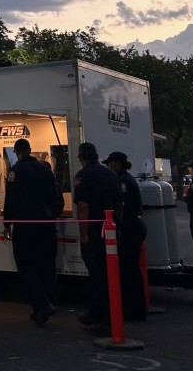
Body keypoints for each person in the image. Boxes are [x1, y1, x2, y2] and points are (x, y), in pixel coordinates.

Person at [3, 139, 60, 326]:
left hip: (26, 225)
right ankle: (45, 305)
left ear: (16, 152)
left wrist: (7, 222)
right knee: (45, 266)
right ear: (30, 150)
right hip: (47, 224)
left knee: (26, 265)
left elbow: (11, 198)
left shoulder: (15, 171)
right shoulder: (45, 169)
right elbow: (56, 196)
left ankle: (42, 304)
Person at [72, 141, 123, 337]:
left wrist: (83, 233)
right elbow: (120, 202)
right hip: (111, 230)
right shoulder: (110, 173)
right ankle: (96, 314)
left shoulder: (83, 175)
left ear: (81, 158)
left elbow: (83, 206)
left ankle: (105, 320)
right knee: (108, 275)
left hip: (95, 231)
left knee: (98, 277)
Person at [103, 151, 147, 322]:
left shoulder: (123, 180)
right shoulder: (127, 178)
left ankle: (132, 310)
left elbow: (122, 206)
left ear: (117, 162)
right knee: (132, 270)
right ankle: (137, 308)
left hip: (129, 228)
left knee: (128, 271)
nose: (109, 166)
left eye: (110, 163)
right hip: (135, 226)